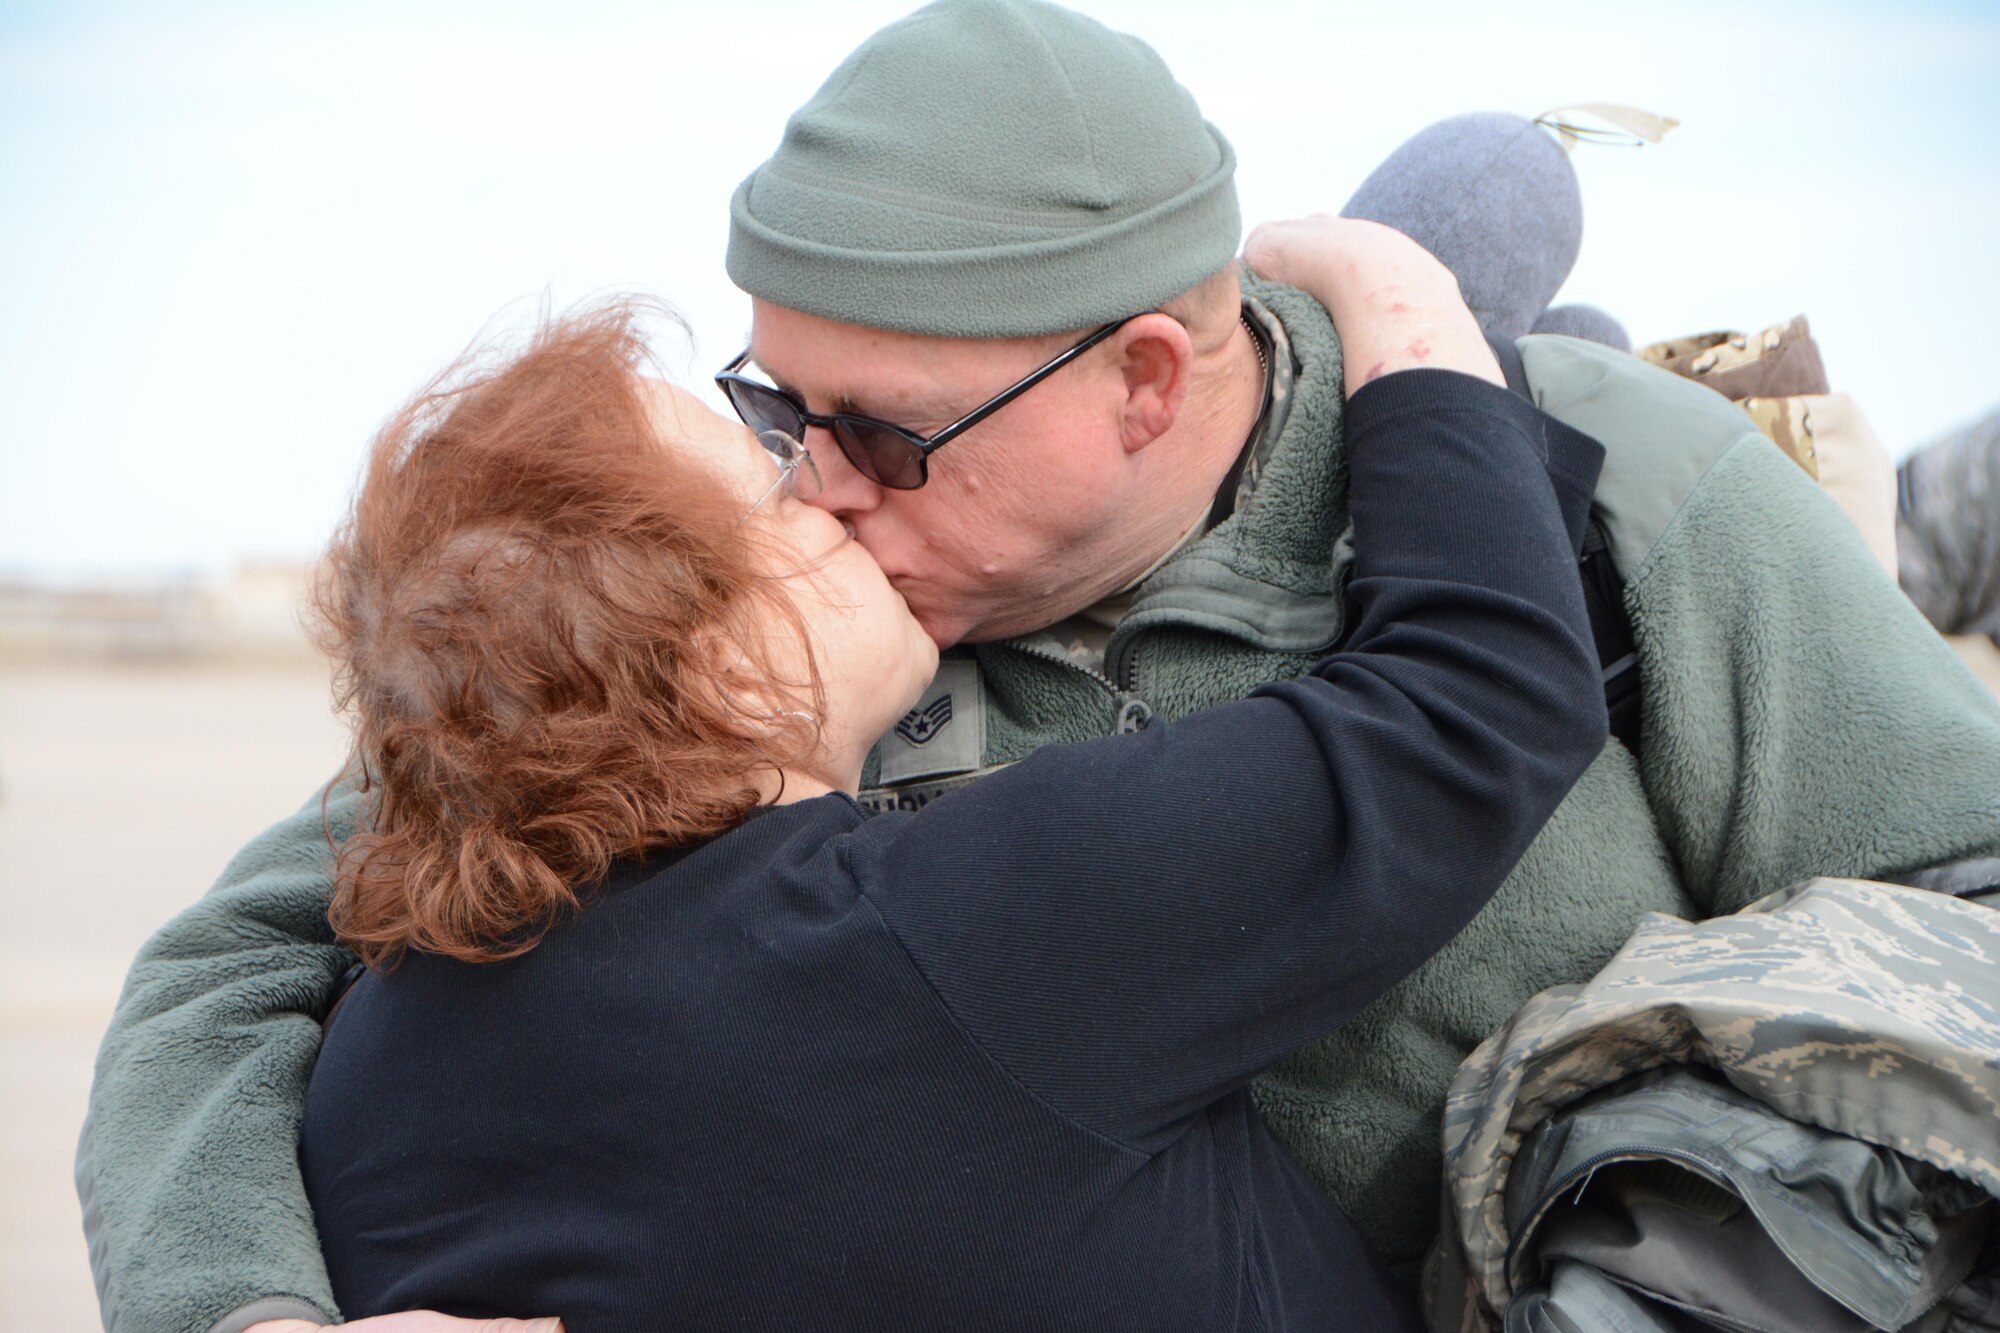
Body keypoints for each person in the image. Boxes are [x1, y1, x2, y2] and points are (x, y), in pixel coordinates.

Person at [78, 0, 2000, 1325]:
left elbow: (1961, 895)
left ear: (1149, 375)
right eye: (774, 405)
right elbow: (237, 959)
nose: (813, 485)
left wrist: (1724, 1209)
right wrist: (245, 1310)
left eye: (881, 429)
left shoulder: (1613, 491)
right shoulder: (713, 640)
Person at [285, 230, 1603, 1333]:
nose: (829, 500)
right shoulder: (953, 932)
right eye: (769, 500)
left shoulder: (363, 1075)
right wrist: (1393, 287)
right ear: (716, 678)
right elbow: (1481, 698)